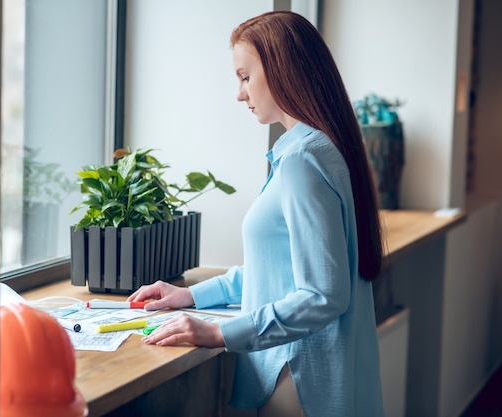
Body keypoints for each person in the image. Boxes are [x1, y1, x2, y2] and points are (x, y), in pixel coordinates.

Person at [128, 10, 385, 417]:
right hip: (308, 378)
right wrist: (193, 295)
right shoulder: (318, 150)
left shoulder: (302, 160)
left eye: (245, 76)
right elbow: (279, 270)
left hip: (299, 380)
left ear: (283, 69)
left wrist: (217, 331)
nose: (240, 93)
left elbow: (322, 295)